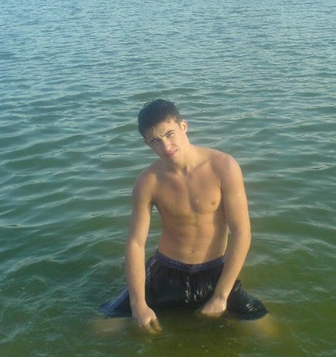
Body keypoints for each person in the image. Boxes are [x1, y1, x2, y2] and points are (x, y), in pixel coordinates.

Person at [100, 99, 267, 333]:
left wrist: (220, 296)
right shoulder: (148, 182)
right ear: (147, 144)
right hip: (165, 273)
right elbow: (136, 243)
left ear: (184, 126)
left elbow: (242, 233)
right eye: (155, 141)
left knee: (266, 330)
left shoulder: (223, 167)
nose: (166, 146)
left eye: (169, 134)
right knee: (101, 328)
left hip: (213, 272)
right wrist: (138, 304)